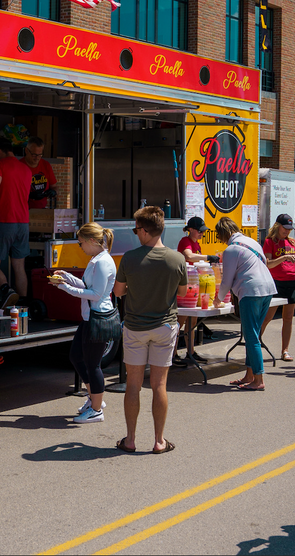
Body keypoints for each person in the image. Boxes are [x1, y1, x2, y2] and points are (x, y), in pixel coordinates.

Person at [113, 206, 187, 454]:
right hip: (165, 326)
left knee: (133, 384)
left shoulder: (130, 258)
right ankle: (159, 441)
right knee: (159, 385)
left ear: (144, 231)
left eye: (136, 230)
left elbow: (118, 292)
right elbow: (183, 293)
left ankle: (131, 439)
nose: (136, 234)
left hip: (135, 327)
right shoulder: (177, 259)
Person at [51, 222, 116, 424]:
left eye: (80, 243)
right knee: (76, 356)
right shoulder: (96, 259)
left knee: (92, 364)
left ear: (91, 241)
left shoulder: (102, 262)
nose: (80, 247)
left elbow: (95, 294)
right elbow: (88, 286)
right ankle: (94, 398)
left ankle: (96, 409)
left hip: (98, 318)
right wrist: (68, 278)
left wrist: (66, 288)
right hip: (90, 318)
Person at [214, 217, 276, 391]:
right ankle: (250, 375)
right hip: (268, 289)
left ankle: (258, 379)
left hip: (251, 291)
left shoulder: (231, 249)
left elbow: (226, 280)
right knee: (253, 335)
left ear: (223, 234)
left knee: (251, 337)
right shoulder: (252, 242)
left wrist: (218, 298)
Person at [0, 136, 32, 307]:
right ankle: (24, 307)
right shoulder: (26, 169)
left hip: (4, 221)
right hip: (23, 223)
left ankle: (7, 290)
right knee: (19, 266)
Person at [261, 213, 295, 362]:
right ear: (277, 226)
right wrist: (284, 257)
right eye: (285, 228)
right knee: (267, 316)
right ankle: (254, 343)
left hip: (292, 282)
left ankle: (285, 351)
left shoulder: (292, 242)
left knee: (288, 318)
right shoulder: (270, 242)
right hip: (276, 283)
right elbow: (267, 264)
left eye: (289, 229)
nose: (287, 231)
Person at [173, 216, 208, 365]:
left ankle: (190, 351)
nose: (202, 234)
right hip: (185, 286)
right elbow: (188, 256)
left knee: (192, 320)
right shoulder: (185, 241)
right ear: (191, 230)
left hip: (193, 285)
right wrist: (208, 257)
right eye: (200, 231)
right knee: (180, 320)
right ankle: (173, 354)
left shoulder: (197, 244)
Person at [20, 136, 58, 210]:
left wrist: (53, 192)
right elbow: (13, 193)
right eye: (34, 154)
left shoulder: (46, 165)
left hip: (41, 209)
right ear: (26, 151)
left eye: (40, 154)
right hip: (22, 210)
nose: (37, 158)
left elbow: (55, 187)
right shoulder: (19, 166)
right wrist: (29, 195)